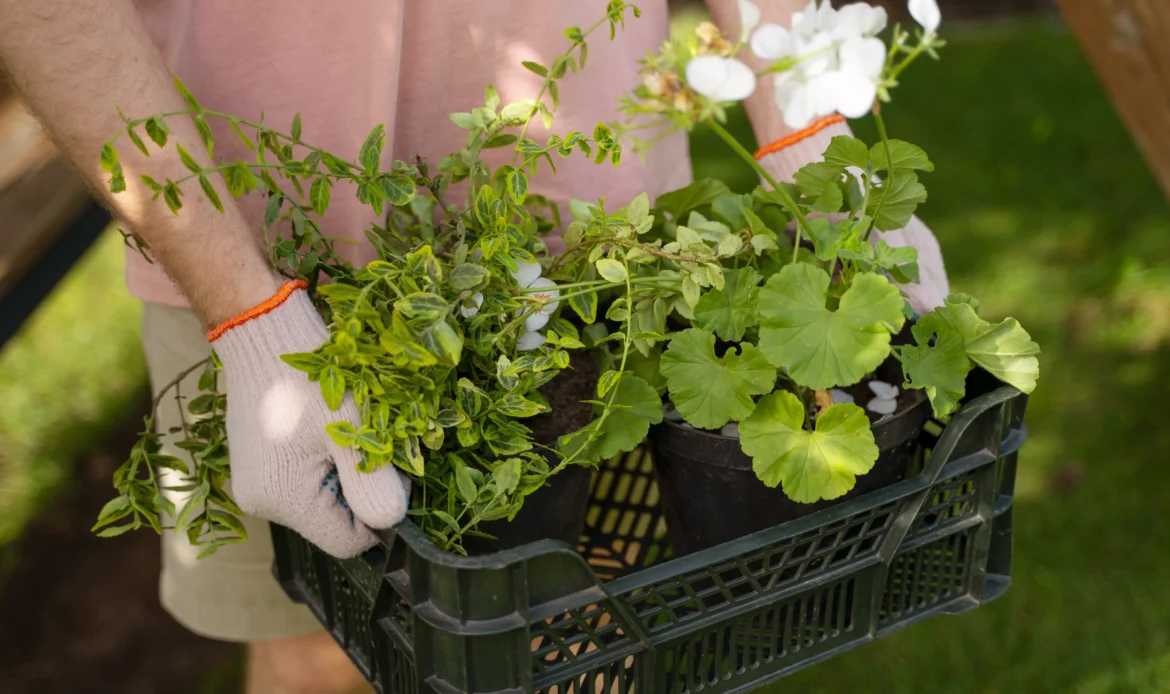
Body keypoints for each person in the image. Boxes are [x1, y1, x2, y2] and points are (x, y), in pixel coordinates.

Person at [0, 1, 948, 692]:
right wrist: (250, 324)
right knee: (320, 655)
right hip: (243, 247)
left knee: (584, 636)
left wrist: (811, 137)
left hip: (587, 239)